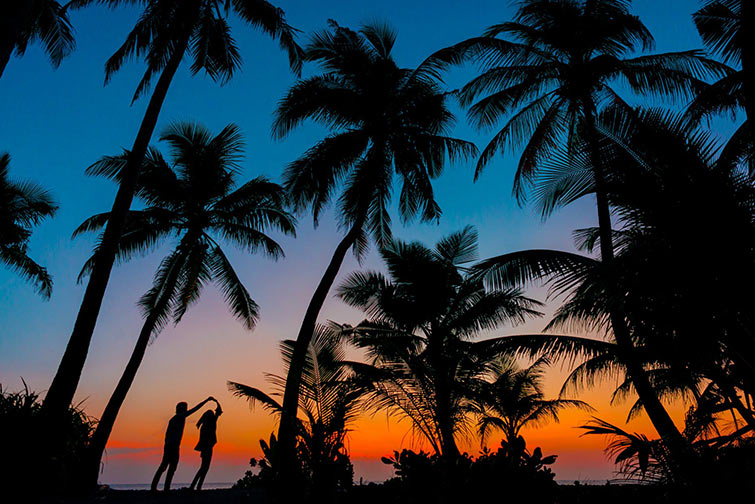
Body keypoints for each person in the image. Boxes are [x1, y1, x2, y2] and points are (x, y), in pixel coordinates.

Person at [151, 396, 214, 491]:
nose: (187, 409)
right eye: (185, 408)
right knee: (169, 467)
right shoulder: (180, 417)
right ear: (181, 409)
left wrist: (168, 443)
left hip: (170, 445)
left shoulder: (173, 419)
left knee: (166, 466)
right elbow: (195, 409)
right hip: (173, 446)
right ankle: (162, 487)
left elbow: (167, 434)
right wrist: (206, 401)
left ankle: (159, 487)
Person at [189, 400, 223, 491]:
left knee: (203, 468)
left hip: (206, 447)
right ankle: (195, 486)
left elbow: (218, 412)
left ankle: (195, 486)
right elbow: (219, 411)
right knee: (204, 468)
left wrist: (215, 402)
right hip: (207, 448)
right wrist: (216, 402)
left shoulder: (204, 427)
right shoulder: (211, 424)